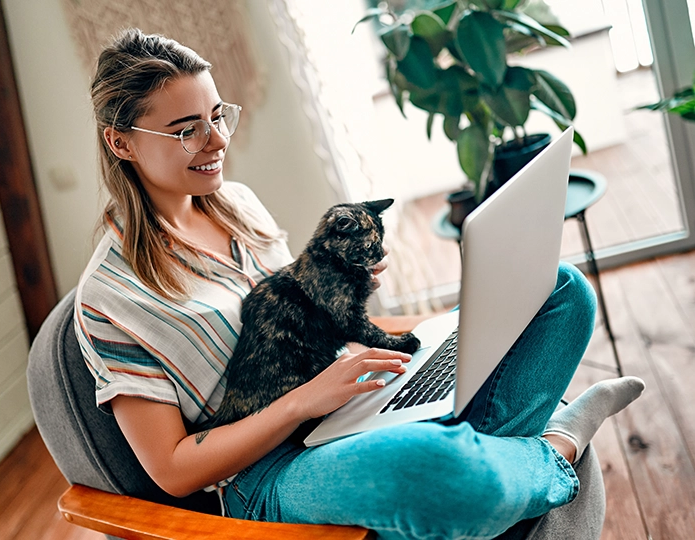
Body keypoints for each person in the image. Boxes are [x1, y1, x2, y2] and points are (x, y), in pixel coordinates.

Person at [74, 28, 645, 539]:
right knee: (434, 469)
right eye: (186, 130)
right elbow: (173, 470)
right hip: (269, 473)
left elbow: (295, 320)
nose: (217, 141)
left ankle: (478, 476)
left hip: (345, 403)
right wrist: (304, 402)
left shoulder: (236, 205)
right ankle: (552, 452)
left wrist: (345, 290)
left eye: (218, 115)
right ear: (121, 142)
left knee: (562, 290)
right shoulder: (112, 298)